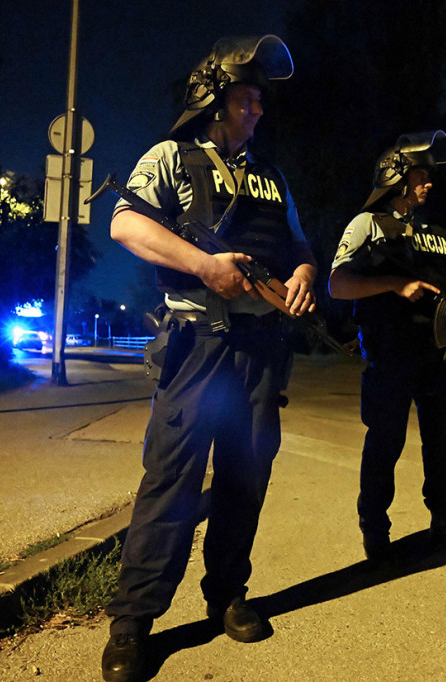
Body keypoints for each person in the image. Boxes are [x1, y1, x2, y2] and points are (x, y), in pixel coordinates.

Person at [100, 35, 316, 682]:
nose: (256, 111)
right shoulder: (171, 156)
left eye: (259, 102)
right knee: (169, 484)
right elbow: (125, 225)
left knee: (246, 481)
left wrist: (305, 273)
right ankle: (132, 625)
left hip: (258, 352)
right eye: (245, 99)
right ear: (214, 101)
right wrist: (204, 266)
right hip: (195, 348)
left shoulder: (271, 177)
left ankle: (227, 595)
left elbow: (300, 244)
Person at [328, 130, 446, 563]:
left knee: (442, 441)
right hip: (390, 355)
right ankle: (376, 531)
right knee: (386, 441)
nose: (429, 182)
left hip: (437, 355)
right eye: (421, 173)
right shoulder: (367, 224)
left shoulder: (437, 232)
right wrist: (394, 284)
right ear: (397, 176)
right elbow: (338, 284)